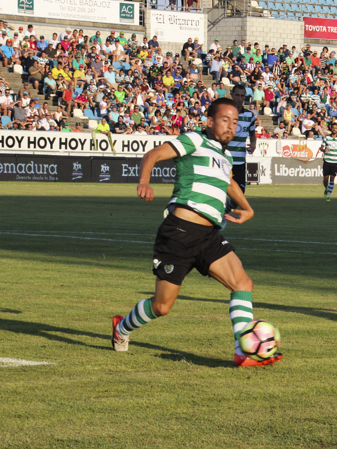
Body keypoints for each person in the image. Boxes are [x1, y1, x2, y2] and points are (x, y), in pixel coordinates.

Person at [111, 97, 282, 368]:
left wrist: (247, 207)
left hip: (209, 236)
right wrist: (144, 182)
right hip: (179, 232)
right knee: (162, 307)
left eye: (235, 121)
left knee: (243, 284)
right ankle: (122, 327)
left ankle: (243, 351)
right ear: (209, 121)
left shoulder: (225, 155)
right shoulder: (194, 140)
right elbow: (153, 154)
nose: (231, 126)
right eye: (225, 120)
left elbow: (228, 182)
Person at [225, 83, 257, 214]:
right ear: (232, 95)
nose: (239, 98)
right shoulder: (225, 112)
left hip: (239, 159)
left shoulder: (249, 115)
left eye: (242, 96)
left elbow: (252, 134)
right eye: (237, 95)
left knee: (240, 192)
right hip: (224, 157)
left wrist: (253, 144)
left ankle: (226, 210)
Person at [321, 122, 337, 202]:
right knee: (325, 180)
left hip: (335, 161)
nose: (334, 129)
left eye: (336, 128)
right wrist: (324, 150)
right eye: (333, 128)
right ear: (331, 128)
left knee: (332, 179)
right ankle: (326, 189)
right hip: (327, 160)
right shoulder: (326, 138)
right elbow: (321, 148)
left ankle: (328, 196)